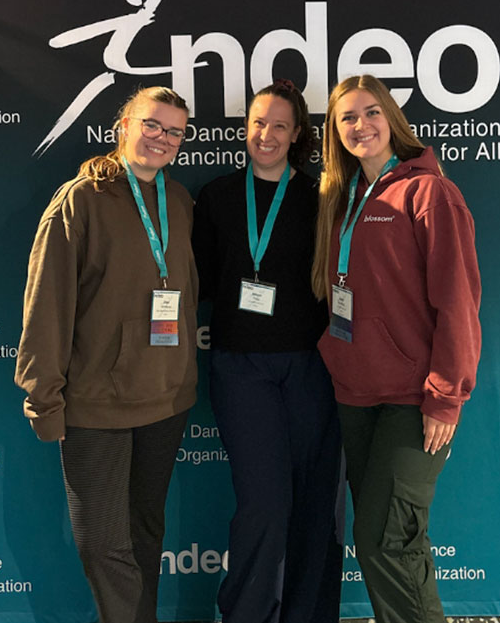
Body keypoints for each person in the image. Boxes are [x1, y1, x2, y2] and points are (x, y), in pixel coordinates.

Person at [15, 86, 196, 623]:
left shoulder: (179, 200)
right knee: (102, 545)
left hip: (166, 401)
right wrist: (43, 400)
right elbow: (45, 306)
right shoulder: (80, 200)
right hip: (96, 404)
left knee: (146, 534)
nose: (162, 139)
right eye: (152, 125)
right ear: (122, 126)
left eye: (175, 132)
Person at [312, 74, 482, 623]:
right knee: (396, 542)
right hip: (355, 395)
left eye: (370, 113)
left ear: (391, 118)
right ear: (334, 132)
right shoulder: (343, 198)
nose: (360, 126)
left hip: (413, 398)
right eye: (347, 118)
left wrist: (445, 396)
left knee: (385, 541)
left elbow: (457, 300)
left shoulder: (429, 192)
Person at [192, 80, 342, 623]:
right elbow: (198, 282)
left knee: (314, 501)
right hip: (240, 367)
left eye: (280, 125)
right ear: (245, 127)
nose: (267, 134)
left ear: (298, 133)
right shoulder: (215, 196)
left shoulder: (321, 197)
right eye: (258, 122)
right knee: (262, 503)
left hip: (311, 367)